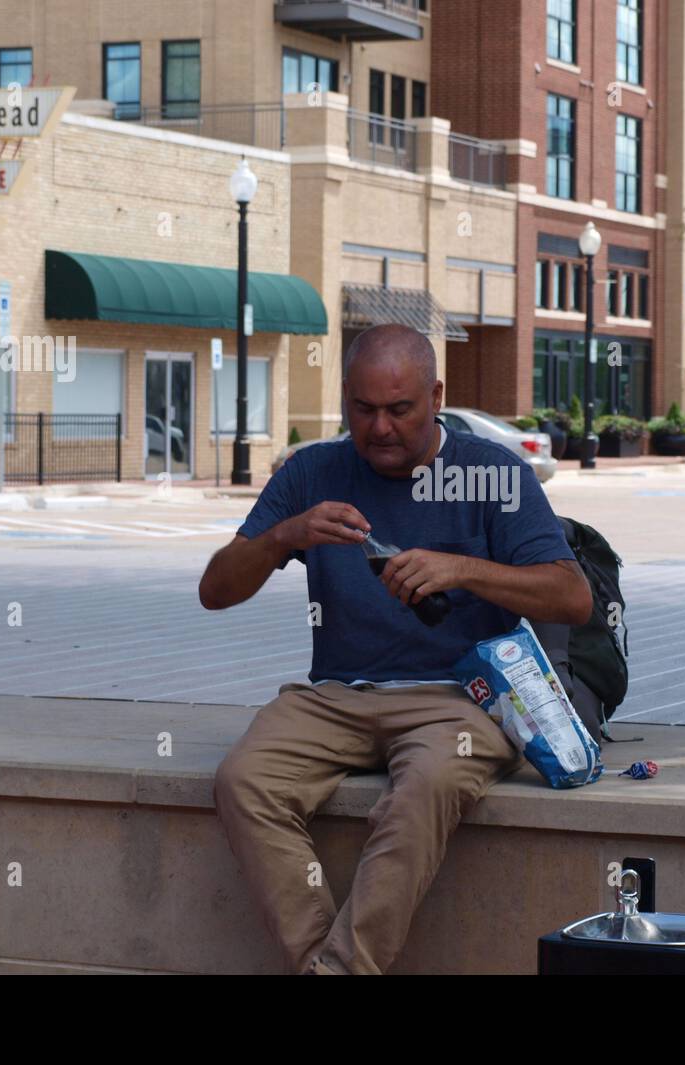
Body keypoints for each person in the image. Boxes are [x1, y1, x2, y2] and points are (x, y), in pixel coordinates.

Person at [200, 323, 592, 975]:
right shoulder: (313, 471)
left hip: (461, 697)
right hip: (337, 694)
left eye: (399, 409)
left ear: (436, 395)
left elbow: (571, 595)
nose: (380, 428)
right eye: (363, 409)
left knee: (427, 786)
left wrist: (463, 569)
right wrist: (282, 537)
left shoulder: (493, 471)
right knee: (243, 780)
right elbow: (215, 590)